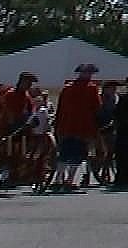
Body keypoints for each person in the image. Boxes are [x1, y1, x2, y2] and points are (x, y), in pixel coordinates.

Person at [51, 64, 99, 192]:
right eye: (87, 73)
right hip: (83, 126)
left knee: (64, 153)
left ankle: (58, 179)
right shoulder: (91, 89)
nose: (88, 75)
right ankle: (68, 180)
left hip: (67, 126)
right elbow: (96, 108)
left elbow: (60, 109)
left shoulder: (67, 88)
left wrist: (58, 125)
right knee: (77, 154)